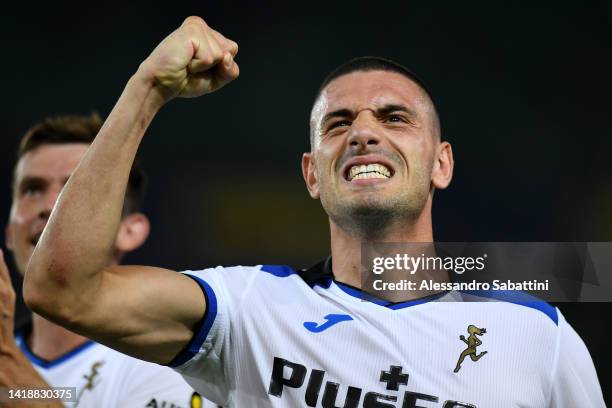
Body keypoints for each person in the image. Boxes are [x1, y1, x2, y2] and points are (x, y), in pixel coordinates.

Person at [23, 16, 604, 407]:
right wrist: (147, 87)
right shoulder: (248, 314)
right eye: (339, 123)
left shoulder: (538, 336)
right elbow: (62, 292)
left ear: (441, 165)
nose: (364, 134)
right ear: (311, 175)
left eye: (394, 118)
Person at [2, 113, 214, 407]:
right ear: (10, 232)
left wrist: (12, 375)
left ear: (130, 230)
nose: (50, 206)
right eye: (33, 189)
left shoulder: (166, 363)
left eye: (74, 188)